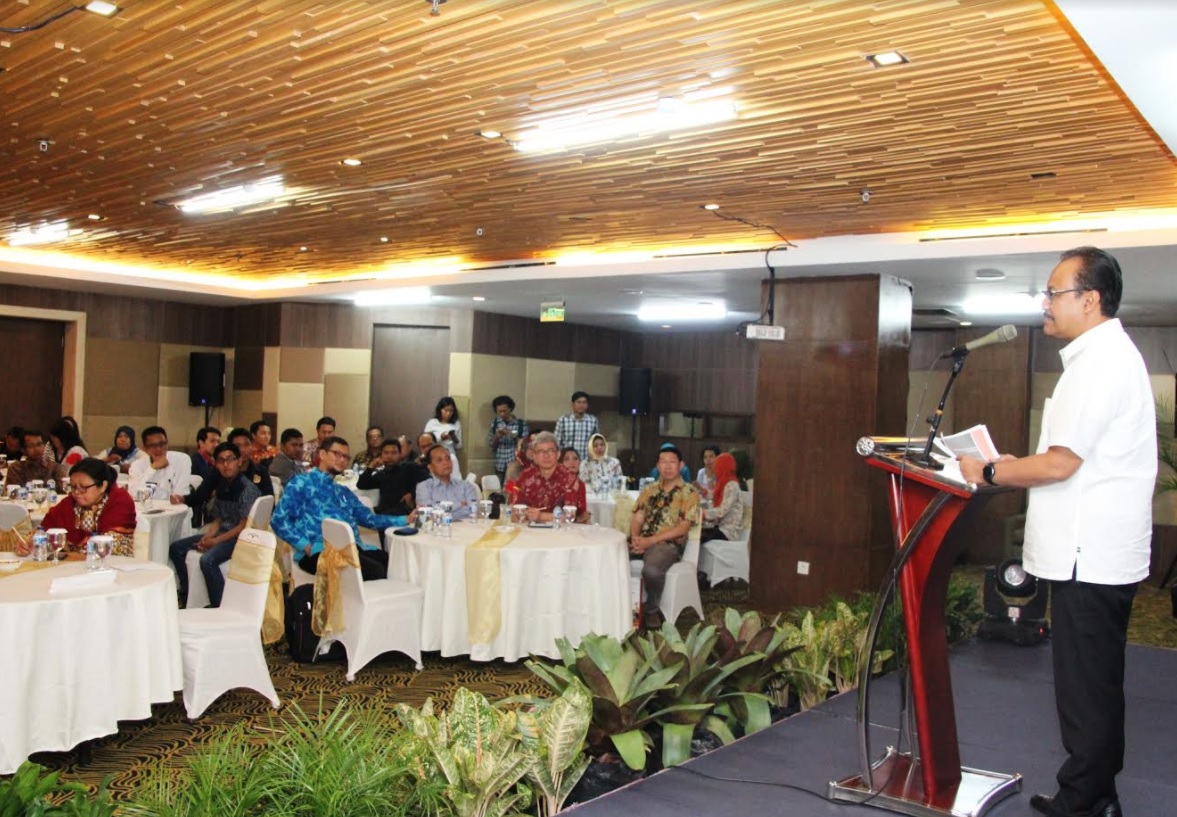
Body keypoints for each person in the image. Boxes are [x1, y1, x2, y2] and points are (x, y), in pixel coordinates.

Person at [960, 247, 1154, 817]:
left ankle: (1089, 801)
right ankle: (1091, 793)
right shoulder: (1100, 358)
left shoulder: (1101, 364)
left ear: (1089, 300)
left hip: (1089, 554)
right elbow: (1066, 458)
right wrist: (1024, 461)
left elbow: (1060, 465)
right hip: (1091, 551)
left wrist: (991, 471)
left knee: (1086, 687)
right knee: (1088, 684)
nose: (1045, 303)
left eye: (1054, 292)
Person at [272, 435, 411, 581]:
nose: (342, 460)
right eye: (337, 454)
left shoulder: (342, 491)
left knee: (394, 563)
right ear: (322, 454)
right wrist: (305, 546)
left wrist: (405, 519)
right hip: (320, 552)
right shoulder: (302, 483)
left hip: (351, 548)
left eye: (346, 457)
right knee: (376, 571)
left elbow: (369, 519)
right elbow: (278, 520)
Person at [169, 442, 260, 608]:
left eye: (230, 460)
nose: (226, 465)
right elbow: (218, 520)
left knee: (207, 561)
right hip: (222, 533)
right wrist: (207, 537)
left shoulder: (248, 489)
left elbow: (243, 527)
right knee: (176, 548)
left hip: (239, 538)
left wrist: (214, 542)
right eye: (221, 461)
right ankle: (189, 594)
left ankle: (220, 605)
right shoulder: (222, 486)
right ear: (216, 464)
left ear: (239, 461)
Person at [629, 445, 699, 629]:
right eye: (663, 462)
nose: (667, 466)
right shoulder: (649, 490)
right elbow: (637, 517)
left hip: (667, 545)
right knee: (610, 557)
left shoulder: (689, 493)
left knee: (651, 571)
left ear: (681, 465)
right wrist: (635, 539)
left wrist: (649, 541)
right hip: (643, 541)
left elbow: (682, 529)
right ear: (657, 466)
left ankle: (651, 610)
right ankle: (622, 608)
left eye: (672, 462)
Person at [41, 458, 136, 556]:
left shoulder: (119, 500)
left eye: (83, 487)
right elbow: (43, 531)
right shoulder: (70, 502)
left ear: (103, 486)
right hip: (73, 565)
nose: (77, 492)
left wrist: (70, 550)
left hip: (113, 565)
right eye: (73, 486)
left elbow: (109, 545)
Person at [514, 431, 588, 523]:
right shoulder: (525, 476)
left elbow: (571, 517)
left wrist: (541, 516)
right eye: (541, 451)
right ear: (535, 456)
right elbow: (513, 509)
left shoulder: (570, 479)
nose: (546, 455)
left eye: (550, 450)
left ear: (558, 454)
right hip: (529, 530)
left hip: (562, 533)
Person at [415, 444, 480, 520]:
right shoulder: (423, 487)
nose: (446, 463)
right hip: (437, 530)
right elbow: (427, 514)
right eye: (439, 460)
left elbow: (474, 511)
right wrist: (459, 505)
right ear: (430, 468)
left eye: (448, 458)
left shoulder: (466, 486)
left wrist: (439, 512)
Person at [128, 426, 192, 503]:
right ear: (145, 448)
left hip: (177, 511)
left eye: (162, 444)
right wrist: (153, 468)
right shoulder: (137, 466)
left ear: (167, 444)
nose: (158, 449)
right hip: (147, 511)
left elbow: (179, 494)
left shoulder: (182, 460)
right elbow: (135, 495)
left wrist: (150, 493)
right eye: (153, 446)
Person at [358, 439, 418, 516]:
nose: (389, 456)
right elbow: (361, 484)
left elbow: (425, 482)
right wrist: (371, 467)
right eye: (386, 453)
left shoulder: (409, 468)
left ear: (400, 454)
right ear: (381, 455)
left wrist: (411, 494)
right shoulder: (382, 474)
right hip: (384, 514)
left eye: (394, 453)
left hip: (403, 515)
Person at [701, 452, 744, 543]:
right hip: (720, 525)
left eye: (717, 465)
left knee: (701, 541)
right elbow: (714, 494)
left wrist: (703, 514)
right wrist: (702, 490)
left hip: (728, 530)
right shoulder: (725, 482)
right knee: (701, 536)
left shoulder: (731, 485)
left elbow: (722, 510)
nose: (715, 468)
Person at [487, 395, 528, 483]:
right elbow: (492, 445)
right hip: (500, 463)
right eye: (499, 411)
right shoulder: (495, 423)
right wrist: (497, 436)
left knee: (511, 490)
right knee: (498, 489)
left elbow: (526, 446)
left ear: (510, 409)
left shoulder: (521, 424)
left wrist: (513, 436)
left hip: (514, 464)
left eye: (504, 411)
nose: (502, 414)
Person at [554, 391, 600, 460]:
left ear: (587, 405)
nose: (581, 405)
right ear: (573, 404)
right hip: (567, 462)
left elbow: (596, 442)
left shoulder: (593, 420)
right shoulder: (563, 420)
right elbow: (557, 443)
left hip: (586, 461)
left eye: (584, 402)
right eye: (579, 402)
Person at [424, 396, 463, 478]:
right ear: (440, 410)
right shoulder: (432, 423)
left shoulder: (456, 424)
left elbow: (459, 446)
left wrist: (454, 438)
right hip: (435, 455)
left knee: (452, 477)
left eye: (451, 411)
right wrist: (441, 437)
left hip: (450, 455)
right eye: (446, 410)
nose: (448, 414)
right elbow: (425, 441)